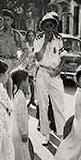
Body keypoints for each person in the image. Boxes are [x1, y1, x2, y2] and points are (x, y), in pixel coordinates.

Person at [31, 11, 68, 147]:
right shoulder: (39, 38)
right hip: (42, 73)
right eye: (46, 26)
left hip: (54, 74)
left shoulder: (58, 39)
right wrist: (46, 42)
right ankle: (46, 134)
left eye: (51, 26)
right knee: (43, 105)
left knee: (59, 104)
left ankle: (62, 134)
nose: (48, 28)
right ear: (42, 27)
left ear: (54, 27)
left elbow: (63, 55)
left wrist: (59, 69)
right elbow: (38, 57)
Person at [10, 68, 34, 160]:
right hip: (19, 131)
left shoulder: (14, 95)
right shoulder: (21, 97)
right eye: (28, 80)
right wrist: (24, 132)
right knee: (23, 156)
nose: (29, 83)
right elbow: (21, 117)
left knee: (18, 155)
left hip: (13, 128)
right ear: (23, 82)